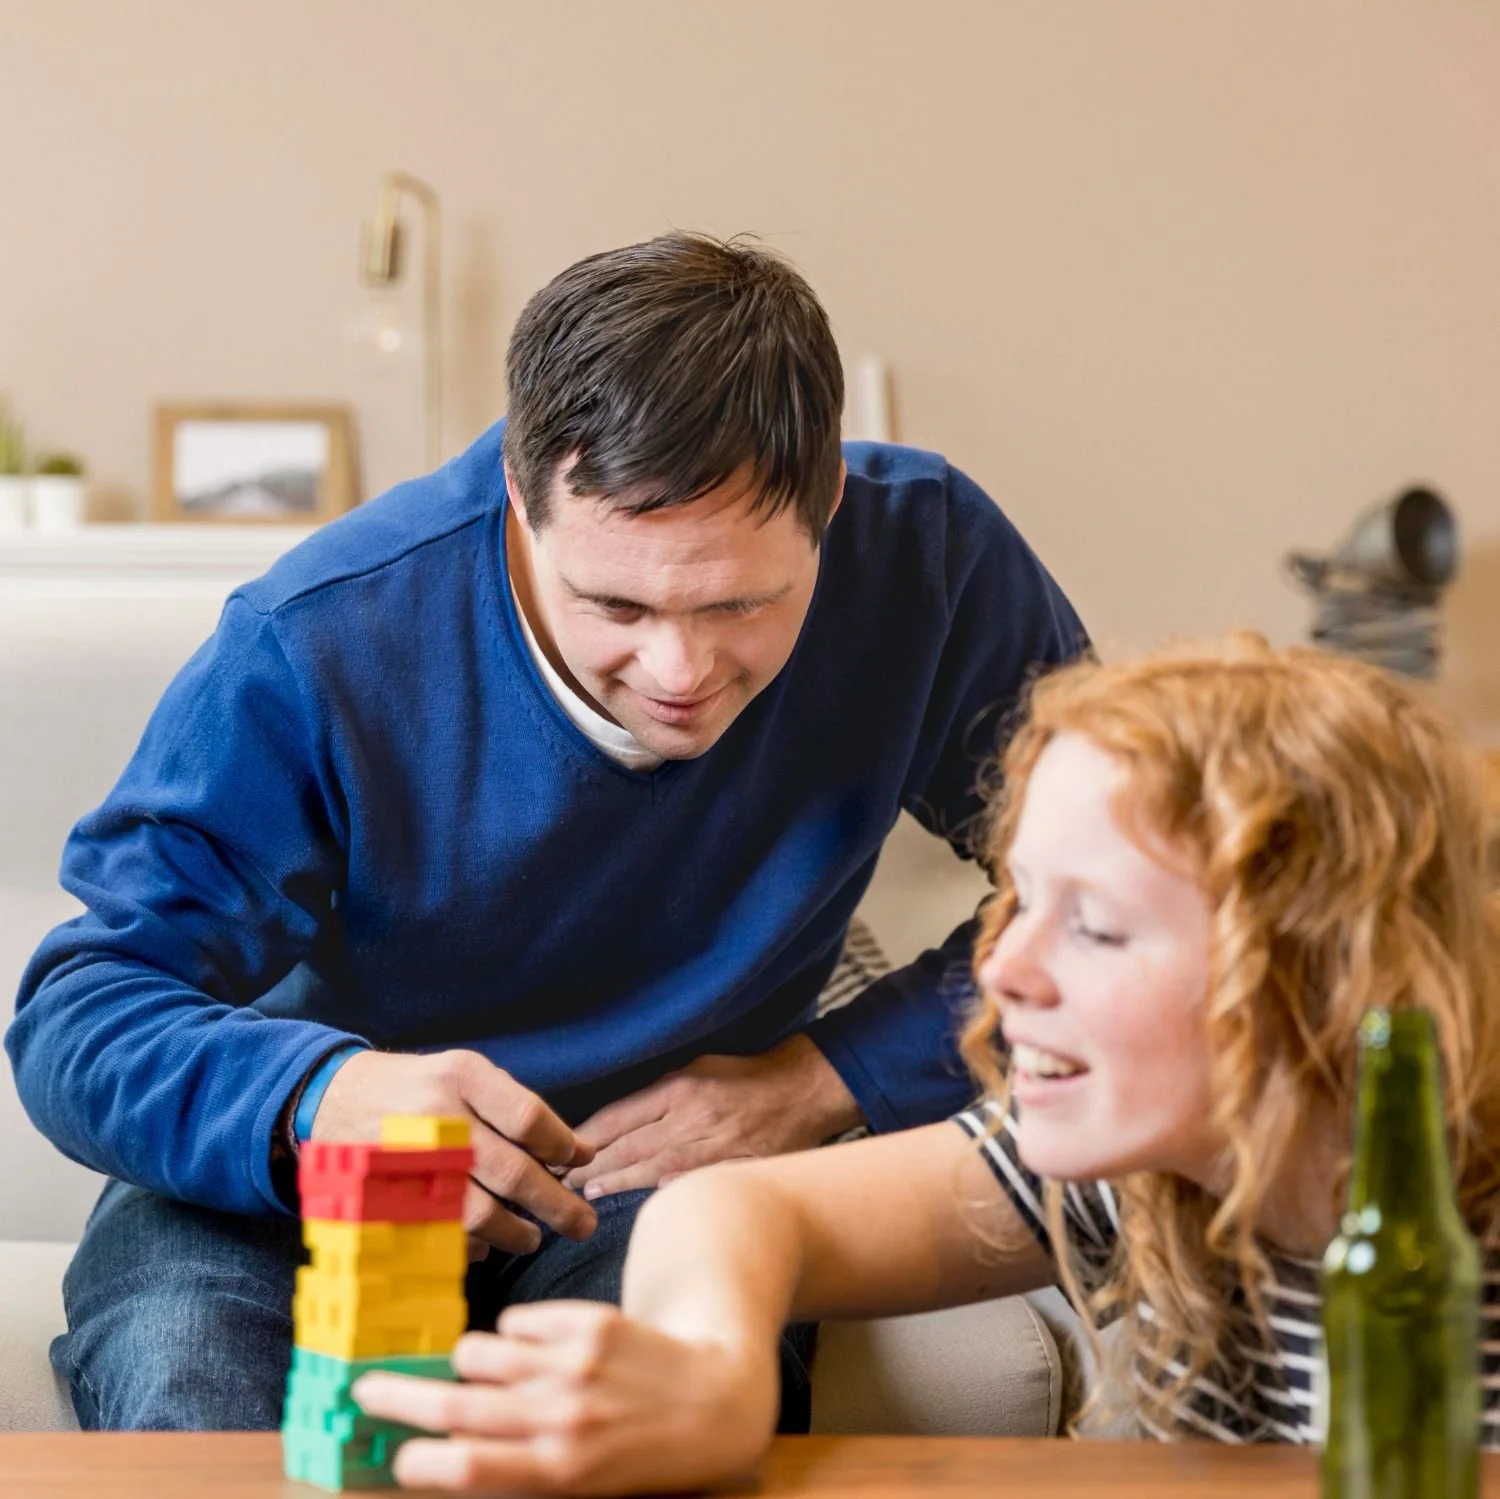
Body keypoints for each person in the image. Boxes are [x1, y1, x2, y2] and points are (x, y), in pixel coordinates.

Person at [4, 231, 1086, 1431]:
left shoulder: (928, 562)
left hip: (649, 1184)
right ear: (522, 498)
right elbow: (81, 1004)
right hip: (293, 1172)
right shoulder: (318, 636)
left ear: (827, 498)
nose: (678, 671)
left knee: (663, 1415)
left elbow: (1131, 903)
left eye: (742, 602)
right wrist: (322, 1091)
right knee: (190, 1375)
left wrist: (830, 1076)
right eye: (614, 602)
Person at [348, 634, 1500, 1495]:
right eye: (1021, 900)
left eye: (1095, 926)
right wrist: (711, 1366)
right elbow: (739, 1208)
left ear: (1327, 965)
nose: (1005, 974)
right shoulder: (1149, 1156)